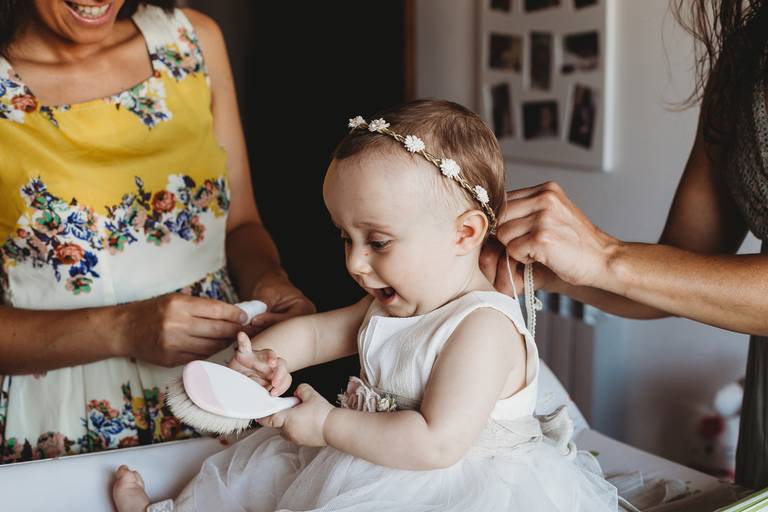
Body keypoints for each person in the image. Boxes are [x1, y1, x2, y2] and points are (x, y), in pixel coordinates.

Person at [111, 99, 619, 512]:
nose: (355, 262)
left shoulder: (482, 329)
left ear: (464, 233)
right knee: (254, 474)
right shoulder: (389, 303)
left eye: (377, 241)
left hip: (454, 490)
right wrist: (265, 360)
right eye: (344, 237)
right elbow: (312, 334)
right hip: (367, 459)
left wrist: (329, 425)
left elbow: (435, 443)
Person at [0, 0, 313, 463]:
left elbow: (241, 225)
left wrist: (268, 279)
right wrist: (127, 329)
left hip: (220, 387)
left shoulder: (192, 41)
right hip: (63, 419)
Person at [480, 0, 768, 489]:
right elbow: (681, 267)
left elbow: (636, 268)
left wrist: (606, 256)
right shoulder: (744, 56)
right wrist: (560, 273)